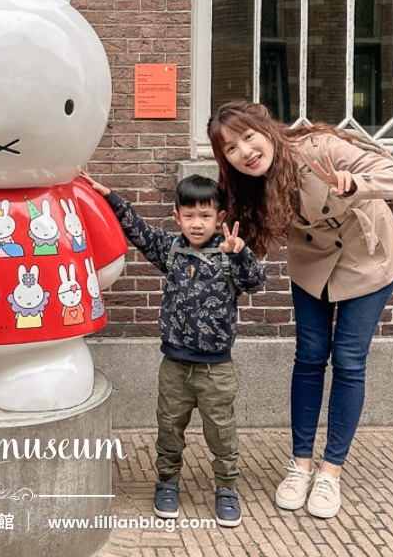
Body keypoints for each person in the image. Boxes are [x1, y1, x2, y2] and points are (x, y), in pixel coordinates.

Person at [207, 101, 393, 519]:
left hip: (367, 261)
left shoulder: (321, 148)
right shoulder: (246, 186)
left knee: (349, 360)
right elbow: (249, 242)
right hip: (312, 267)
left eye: (248, 136)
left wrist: (354, 182)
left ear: (267, 128)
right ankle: (300, 465)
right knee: (308, 358)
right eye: (230, 148)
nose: (244, 151)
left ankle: (330, 472)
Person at [81, 171, 264, 528]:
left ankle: (226, 487)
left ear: (220, 219)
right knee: (169, 426)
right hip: (175, 364)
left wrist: (240, 255)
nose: (198, 224)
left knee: (221, 430)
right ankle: (167, 481)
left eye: (206, 216)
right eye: (190, 216)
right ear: (177, 216)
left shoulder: (228, 255)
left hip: (216, 369)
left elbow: (255, 282)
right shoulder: (172, 250)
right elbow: (138, 231)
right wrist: (111, 197)